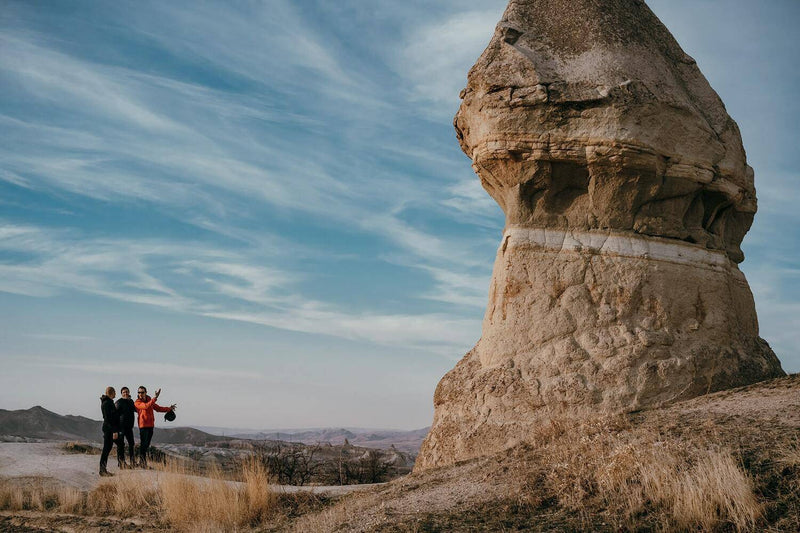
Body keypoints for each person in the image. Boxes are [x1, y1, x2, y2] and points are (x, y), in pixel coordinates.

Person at [133, 386, 176, 468]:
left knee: (146, 445)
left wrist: (169, 409)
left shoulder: (150, 401)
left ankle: (142, 462)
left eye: (142, 392)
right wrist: (155, 398)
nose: (140, 394)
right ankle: (142, 463)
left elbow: (158, 408)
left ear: (146, 392)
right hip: (143, 426)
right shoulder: (137, 402)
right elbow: (145, 406)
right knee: (143, 445)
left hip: (150, 425)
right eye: (139, 392)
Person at [99, 386, 120, 477]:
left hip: (110, 428)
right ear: (111, 393)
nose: (115, 394)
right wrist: (114, 431)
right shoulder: (107, 403)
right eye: (114, 392)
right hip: (109, 429)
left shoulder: (109, 402)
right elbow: (108, 419)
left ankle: (103, 470)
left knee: (108, 448)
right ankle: (102, 471)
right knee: (106, 449)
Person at [115, 386, 136, 468]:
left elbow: (136, 409)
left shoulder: (131, 401)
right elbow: (114, 415)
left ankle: (132, 462)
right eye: (124, 392)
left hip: (129, 427)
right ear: (121, 393)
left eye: (127, 392)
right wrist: (115, 429)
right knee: (121, 445)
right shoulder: (118, 402)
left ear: (129, 392)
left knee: (131, 444)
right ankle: (121, 463)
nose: (125, 393)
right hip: (121, 427)